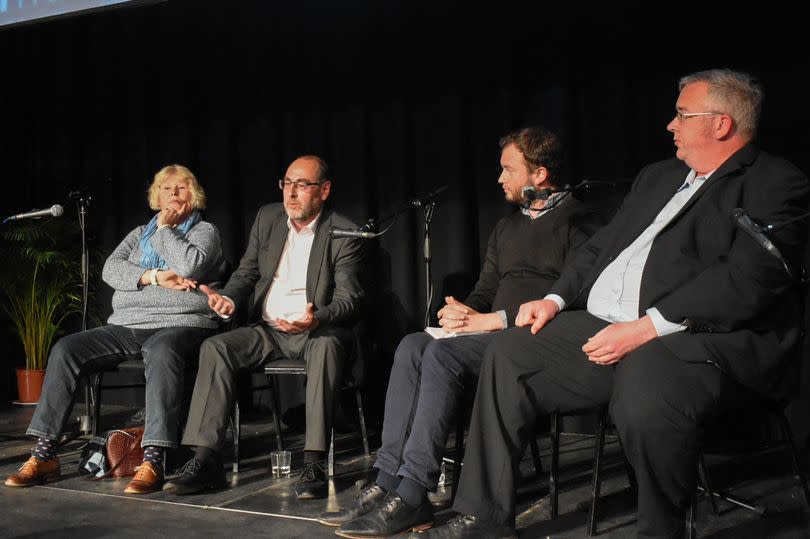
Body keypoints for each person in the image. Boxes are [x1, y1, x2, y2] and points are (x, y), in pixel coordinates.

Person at [419, 69, 810, 538]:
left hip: (695, 338)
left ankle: (660, 528)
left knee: (647, 379)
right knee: (510, 352)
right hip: (606, 324)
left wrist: (647, 327)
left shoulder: (773, 181)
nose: (670, 124)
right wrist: (554, 298)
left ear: (721, 124)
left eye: (682, 115)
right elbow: (599, 248)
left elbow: (748, 280)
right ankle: (484, 518)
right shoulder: (659, 176)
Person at [324, 127, 603, 538]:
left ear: (540, 175)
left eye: (508, 169)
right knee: (413, 345)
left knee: (441, 356)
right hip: (488, 331)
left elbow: (577, 295)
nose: (500, 178)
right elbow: (487, 288)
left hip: (537, 337)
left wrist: (494, 320)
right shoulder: (507, 228)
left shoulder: (580, 222)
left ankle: (414, 491)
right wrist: (462, 311)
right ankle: (387, 480)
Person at [4, 164, 226, 495]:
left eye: (181, 189)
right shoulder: (139, 234)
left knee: (162, 349)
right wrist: (154, 277)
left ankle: (154, 459)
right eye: (167, 189)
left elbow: (189, 264)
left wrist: (164, 230)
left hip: (181, 325)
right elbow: (111, 271)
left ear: (193, 196)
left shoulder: (204, 232)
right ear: (156, 195)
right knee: (66, 349)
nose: (174, 194)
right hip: (128, 324)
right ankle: (44, 454)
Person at [163, 155, 364, 500]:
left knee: (329, 345)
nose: (292, 193)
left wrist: (318, 317)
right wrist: (229, 298)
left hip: (314, 330)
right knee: (216, 347)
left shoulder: (343, 232)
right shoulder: (268, 217)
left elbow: (350, 299)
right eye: (287, 183)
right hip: (269, 329)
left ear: (324, 190)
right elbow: (246, 272)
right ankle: (206, 460)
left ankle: (313, 461)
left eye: (303, 185)